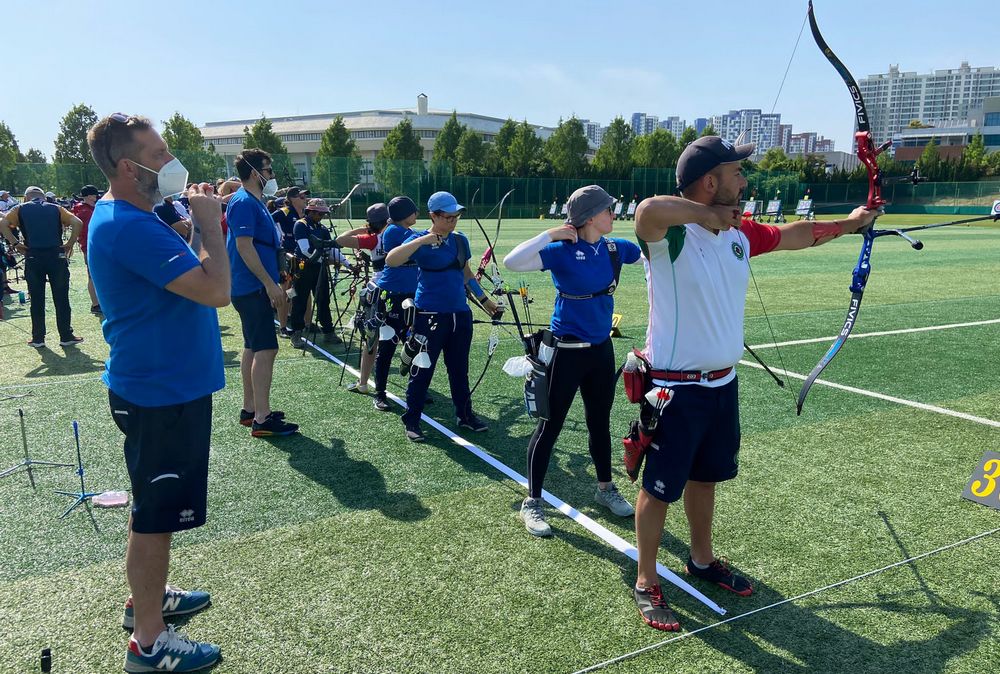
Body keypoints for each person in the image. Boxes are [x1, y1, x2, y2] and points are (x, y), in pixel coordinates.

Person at [629, 136, 878, 632]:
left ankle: (701, 560)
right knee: (659, 490)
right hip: (675, 390)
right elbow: (647, 210)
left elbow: (794, 234)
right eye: (737, 173)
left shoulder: (740, 236)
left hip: (723, 386)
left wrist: (851, 224)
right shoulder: (671, 239)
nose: (744, 182)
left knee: (707, 477)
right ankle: (644, 580)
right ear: (709, 181)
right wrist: (705, 216)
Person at [86, 113, 229, 672]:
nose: (171, 161)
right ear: (130, 166)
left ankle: (147, 601)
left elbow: (181, 274)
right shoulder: (129, 224)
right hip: (160, 392)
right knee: (154, 515)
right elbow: (215, 289)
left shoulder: (128, 213)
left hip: (161, 386)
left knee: (156, 508)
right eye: (160, 152)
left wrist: (194, 228)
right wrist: (211, 223)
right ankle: (149, 641)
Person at [503, 185, 641, 537]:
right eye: (609, 210)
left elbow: (652, 255)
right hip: (565, 352)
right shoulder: (562, 250)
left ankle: (605, 488)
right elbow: (512, 261)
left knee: (599, 422)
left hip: (599, 351)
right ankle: (532, 502)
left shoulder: (614, 247)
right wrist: (549, 232)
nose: (614, 214)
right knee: (549, 427)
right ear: (591, 217)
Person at [385, 191, 498, 442]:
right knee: (422, 368)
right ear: (433, 216)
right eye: (447, 217)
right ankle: (412, 419)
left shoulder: (460, 240)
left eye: (456, 216)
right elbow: (392, 260)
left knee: (459, 369)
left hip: (460, 314)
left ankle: (464, 415)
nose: (453, 221)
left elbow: (467, 274)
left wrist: (485, 301)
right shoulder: (417, 239)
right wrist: (421, 242)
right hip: (430, 315)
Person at [227, 148, 299, 437]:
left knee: (253, 346)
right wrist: (269, 284)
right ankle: (262, 418)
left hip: (253, 285)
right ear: (255, 173)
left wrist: (277, 273)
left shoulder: (254, 202)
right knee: (266, 349)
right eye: (268, 170)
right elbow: (244, 247)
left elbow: (263, 245)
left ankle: (251, 409)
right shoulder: (244, 201)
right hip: (252, 287)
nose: (272, 176)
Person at [0, 186, 83, 348]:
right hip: (56, 256)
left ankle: (38, 338)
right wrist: (69, 244)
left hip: (33, 256)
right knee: (62, 298)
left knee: (36, 299)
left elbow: (3, 223)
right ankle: (66, 335)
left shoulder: (20, 208)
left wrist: (15, 243)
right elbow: (77, 222)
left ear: (26, 197)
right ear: (43, 197)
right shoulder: (56, 208)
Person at [368, 196, 420, 411]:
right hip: (392, 295)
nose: (417, 214)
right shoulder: (395, 232)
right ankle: (380, 393)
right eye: (414, 211)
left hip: (411, 293)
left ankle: (416, 389)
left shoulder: (404, 231)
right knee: (388, 344)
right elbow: (417, 244)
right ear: (406, 214)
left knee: (414, 343)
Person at [336, 202, 390, 393]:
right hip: (400, 291)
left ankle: (364, 383)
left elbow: (341, 239)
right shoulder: (402, 235)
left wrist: (366, 228)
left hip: (377, 291)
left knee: (370, 339)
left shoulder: (373, 238)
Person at [287, 198, 338, 346]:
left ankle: (328, 332)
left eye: (323, 214)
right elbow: (305, 250)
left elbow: (332, 249)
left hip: (319, 269)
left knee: (323, 300)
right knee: (299, 301)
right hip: (302, 268)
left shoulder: (322, 229)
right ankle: (296, 334)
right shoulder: (300, 225)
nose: (321, 216)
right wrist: (323, 259)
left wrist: (347, 264)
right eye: (319, 213)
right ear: (311, 212)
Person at [72, 184, 103, 314]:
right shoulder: (85, 211)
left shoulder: (87, 209)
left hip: (93, 246)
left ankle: (98, 302)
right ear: (90, 196)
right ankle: (95, 304)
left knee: (96, 275)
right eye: (95, 194)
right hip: (91, 247)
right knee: (93, 276)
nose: (96, 197)